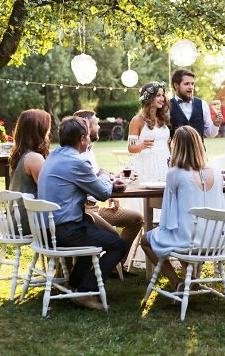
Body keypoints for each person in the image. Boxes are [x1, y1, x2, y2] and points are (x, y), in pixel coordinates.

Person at [37, 116, 128, 310]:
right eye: (87, 137)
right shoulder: (77, 162)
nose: (88, 140)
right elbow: (103, 193)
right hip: (64, 231)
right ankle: (85, 292)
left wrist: (104, 181)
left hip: (44, 231)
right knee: (119, 245)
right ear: (82, 140)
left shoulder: (53, 156)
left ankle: (73, 286)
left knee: (92, 236)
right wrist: (104, 175)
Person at [140, 126, 225, 288]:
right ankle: (191, 279)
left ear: (176, 147)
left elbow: (167, 214)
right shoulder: (216, 171)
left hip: (190, 241)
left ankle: (177, 282)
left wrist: (164, 231)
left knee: (148, 240)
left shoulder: (175, 173)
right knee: (184, 231)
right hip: (215, 240)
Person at [74, 110, 143, 268]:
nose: (98, 127)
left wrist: (109, 186)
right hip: (85, 210)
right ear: (86, 128)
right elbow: (87, 186)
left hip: (97, 206)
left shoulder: (90, 151)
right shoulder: (79, 155)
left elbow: (95, 181)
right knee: (115, 239)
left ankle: (113, 266)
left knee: (136, 219)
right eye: (96, 124)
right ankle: (107, 265)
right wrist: (107, 185)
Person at [8, 109, 51, 234]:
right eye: (47, 129)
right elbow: (47, 191)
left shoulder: (19, 155)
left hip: (15, 219)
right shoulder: (34, 158)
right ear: (39, 130)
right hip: (27, 221)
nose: (48, 133)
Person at [127, 82, 171, 182]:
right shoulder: (137, 120)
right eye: (158, 95)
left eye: (163, 95)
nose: (162, 99)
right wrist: (140, 146)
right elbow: (130, 148)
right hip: (147, 166)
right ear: (149, 98)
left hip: (165, 164)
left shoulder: (163, 118)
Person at [169, 69, 222, 139]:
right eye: (186, 84)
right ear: (176, 85)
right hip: (176, 150)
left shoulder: (202, 104)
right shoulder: (167, 106)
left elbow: (210, 134)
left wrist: (216, 124)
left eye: (192, 84)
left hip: (199, 149)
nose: (191, 87)